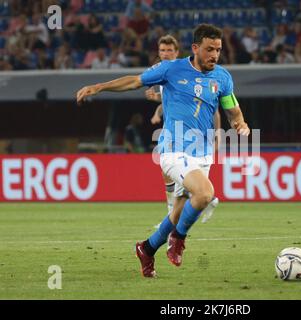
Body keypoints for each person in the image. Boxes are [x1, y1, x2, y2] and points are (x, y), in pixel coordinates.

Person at [76, 24, 250, 278]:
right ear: (195, 48)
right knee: (205, 194)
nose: (214, 55)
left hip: (202, 153)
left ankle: (146, 249)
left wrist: (240, 123)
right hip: (172, 149)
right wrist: (99, 87)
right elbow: (134, 81)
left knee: (178, 210)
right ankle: (178, 239)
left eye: (218, 50)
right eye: (209, 49)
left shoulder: (222, 77)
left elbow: (232, 109)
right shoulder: (171, 68)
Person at [146, 35, 220, 224]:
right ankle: (173, 214)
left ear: (177, 52)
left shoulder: (186, 72)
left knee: (179, 177)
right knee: (169, 176)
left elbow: (212, 108)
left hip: (190, 135)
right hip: (173, 132)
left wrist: (217, 133)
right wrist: (156, 106)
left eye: (170, 50)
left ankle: (204, 198)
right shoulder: (164, 73)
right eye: (162, 50)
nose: (166, 54)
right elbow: (169, 101)